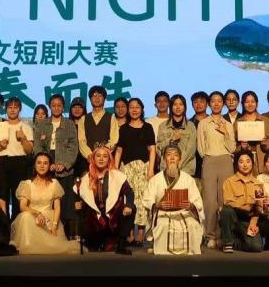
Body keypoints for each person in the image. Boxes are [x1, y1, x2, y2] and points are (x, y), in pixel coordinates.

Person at [140, 143, 204, 255]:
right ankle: (155, 244)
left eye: (176, 155)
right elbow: (147, 200)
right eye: (169, 155)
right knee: (163, 224)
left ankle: (191, 248)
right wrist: (158, 205)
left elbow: (197, 202)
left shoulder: (188, 179)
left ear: (180, 159)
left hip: (184, 212)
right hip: (163, 213)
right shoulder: (156, 179)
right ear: (164, 159)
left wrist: (191, 205)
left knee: (192, 224)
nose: (172, 158)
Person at [10, 152, 80, 255]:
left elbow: (57, 208)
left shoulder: (54, 183)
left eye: (45, 163)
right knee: (25, 216)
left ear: (49, 166)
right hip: (32, 217)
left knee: (55, 247)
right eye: (39, 163)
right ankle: (28, 245)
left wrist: (54, 225)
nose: (42, 166)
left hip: (49, 219)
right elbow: (22, 206)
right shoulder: (27, 184)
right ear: (34, 165)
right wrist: (37, 213)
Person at [33, 94, 80, 239]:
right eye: (53, 105)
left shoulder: (69, 124)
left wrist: (64, 164)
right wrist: (47, 164)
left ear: (63, 107)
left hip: (65, 170)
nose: (56, 108)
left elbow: (73, 147)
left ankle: (67, 235)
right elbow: (38, 146)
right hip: (47, 165)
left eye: (59, 105)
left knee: (66, 204)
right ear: (49, 106)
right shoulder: (42, 124)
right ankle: (47, 234)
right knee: (49, 203)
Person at [74, 143, 134, 254]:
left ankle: (121, 244)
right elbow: (80, 198)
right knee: (82, 214)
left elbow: (129, 193)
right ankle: (93, 241)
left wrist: (129, 206)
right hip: (95, 220)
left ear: (109, 159)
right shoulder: (86, 178)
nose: (101, 159)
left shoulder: (117, 176)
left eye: (105, 156)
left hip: (113, 218)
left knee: (131, 208)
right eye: (98, 156)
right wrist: (78, 205)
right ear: (93, 159)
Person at [114, 97, 155, 246]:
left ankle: (140, 233)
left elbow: (152, 150)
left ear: (142, 109)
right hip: (127, 169)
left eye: (137, 107)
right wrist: (115, 170)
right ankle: (129, 232)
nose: (134, 110)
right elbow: (119, 151)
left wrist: (151, 170)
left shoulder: (148, 127)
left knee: (142, 200)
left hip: (143, 168)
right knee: (128, 200)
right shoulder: (123, 128)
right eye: (131, 107)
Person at [197, 90, 236, 248]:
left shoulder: (228, 124)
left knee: (224, 200)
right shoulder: (203, 123)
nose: (216, 103)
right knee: (209, 201)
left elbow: (232, 148)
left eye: (219, 101)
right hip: (209, 160)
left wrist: (225, 132)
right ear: (209, 104)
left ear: (223, 104)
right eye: (213, 101)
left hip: (226, 161)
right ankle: (210, 235)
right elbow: (200, 147)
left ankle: (222, 235)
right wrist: (209, 157)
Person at [218, 149, 265, 253]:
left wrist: (253, 222)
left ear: (252, 163)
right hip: (233, 217)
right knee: (226, 210)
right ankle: (227, 243)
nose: (245, 165)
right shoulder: (229, 181)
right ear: (237, 164)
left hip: (248, 219)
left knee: (256, 247)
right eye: (241, 162)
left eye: (248, 161)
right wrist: (248, 205)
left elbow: (258, 208)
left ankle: (232, 240)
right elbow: (228, 202)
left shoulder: (258, 184)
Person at [0, 97, 35, 218]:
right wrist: (0, 146)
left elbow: (29, 151)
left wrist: (23, 139)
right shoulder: (0, 126)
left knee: (18, 196)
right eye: (10, 107)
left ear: (20, 109)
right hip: (2, 162)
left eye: (15, 107)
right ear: (6, 109)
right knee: (2, 196)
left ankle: (17, 224)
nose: (12, 110)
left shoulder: (26, 127)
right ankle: (4, 225)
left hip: (20, 163)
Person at [235, 91, 269, 174]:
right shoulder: (238, 122)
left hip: (262, 161)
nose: (250, 104)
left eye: (252, 102)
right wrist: (241, 147)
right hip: (244, 164)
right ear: (243, 104)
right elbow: (233, 145)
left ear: (257, 103)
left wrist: (266, 143)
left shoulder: (265, 120)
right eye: (247, 102)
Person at [77, 86, 120, 168]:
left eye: (100, 95)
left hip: (106, 161)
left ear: (104, 98)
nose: (97, 98)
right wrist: (90, 155)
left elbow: (114, 139)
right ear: (90, 99)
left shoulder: (112, 117)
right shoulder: (83, 119)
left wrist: (102, 154)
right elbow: (81, 141)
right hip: (88, 162)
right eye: (94, 96)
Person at [155, 94, 197, 176]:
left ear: (184, 107)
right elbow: (159, 149)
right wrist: (171, 140)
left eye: (181, 104)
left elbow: (191, 150)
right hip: (166, 169)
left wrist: (177, 166)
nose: (178, 107)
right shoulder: (163, 126)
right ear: (171, 107)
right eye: (175, 104)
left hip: (186, 169)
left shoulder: (191, 126)